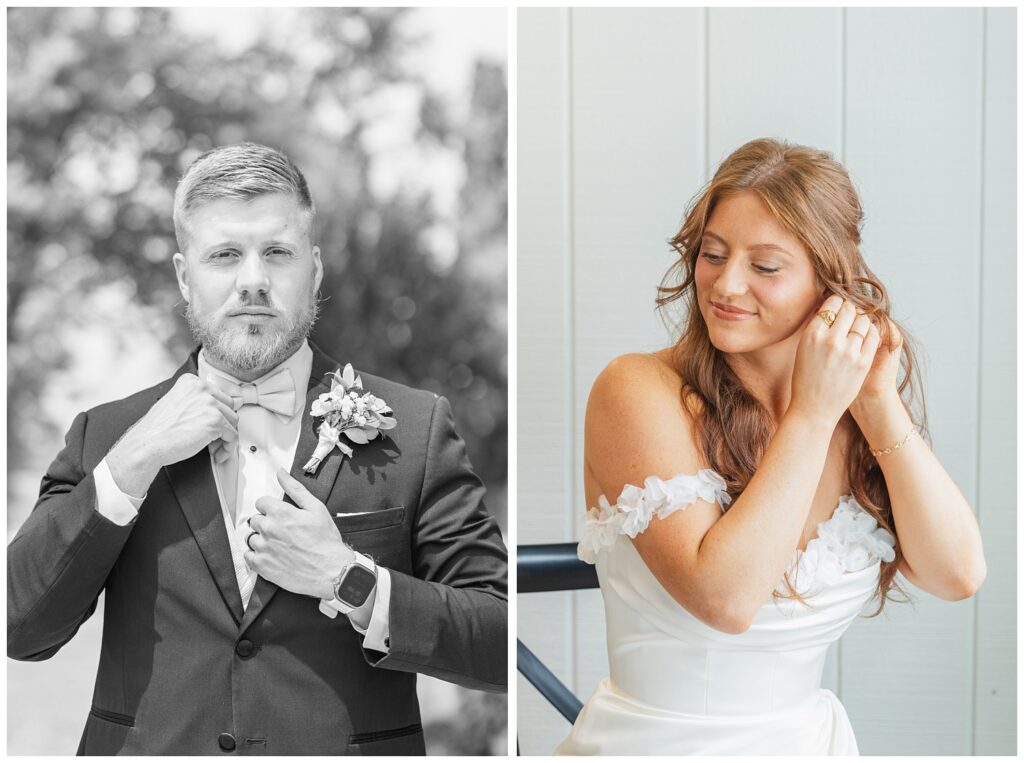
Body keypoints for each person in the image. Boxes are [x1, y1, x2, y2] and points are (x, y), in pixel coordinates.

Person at [7, 142, 508, 755]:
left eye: (277, 252)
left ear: (315, 270)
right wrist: (131, 465)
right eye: (224, 255)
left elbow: (501, 641)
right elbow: (21, 626)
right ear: (185, 278)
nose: (253, 281)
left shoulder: (414, 427)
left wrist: (346, 578)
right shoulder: (106, 436)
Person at [555, 138, 985, 755]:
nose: (726, 285)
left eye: (765, 266)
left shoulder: (849, 406)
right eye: (712, 254)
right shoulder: (636, 391)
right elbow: (726, 601)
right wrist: (810, 416)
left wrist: (874, 402)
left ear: (828, 280)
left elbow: (958, 574)